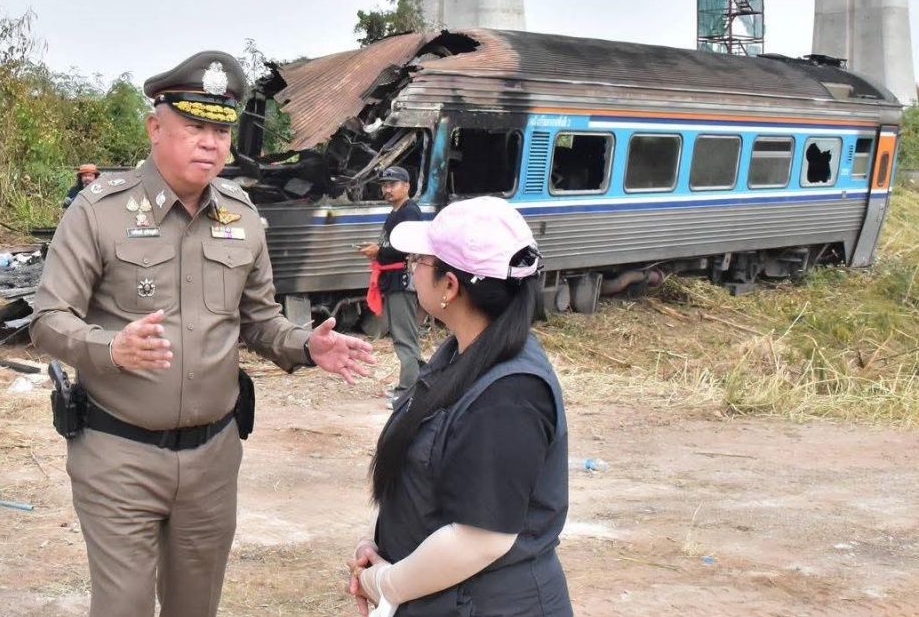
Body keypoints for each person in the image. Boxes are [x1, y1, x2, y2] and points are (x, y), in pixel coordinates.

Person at [29, 50, 376, 617]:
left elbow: (259, 321)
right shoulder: (99, 212)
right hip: (118, 453)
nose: (211, 143)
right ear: (155, 127)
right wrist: (110, 348)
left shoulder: (242, 217)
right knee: (124, 607)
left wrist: (306, 345)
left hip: (213, 459)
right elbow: (48, 320)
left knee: (196, 608)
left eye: (221, 130)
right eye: (195, 126)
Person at [347, 196, 573, 617]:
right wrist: (377, 545)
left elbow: (482, 537)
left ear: (450, 286)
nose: (412, 270)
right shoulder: (462, 356)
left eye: (419, 261)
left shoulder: (510, 394)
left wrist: (386, 582)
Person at [359, 166, 423, 407]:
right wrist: (377, 250)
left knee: (405, 338)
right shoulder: (397, 212)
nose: (387, 189)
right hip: (392, 280)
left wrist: (380, 251)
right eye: (385, 185)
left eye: (392, 184)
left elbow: (408, 247)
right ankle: (414, 384)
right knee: (404, 335)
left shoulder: (410, 213)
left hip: (403, 281)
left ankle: (409, 392)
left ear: (407, 187)